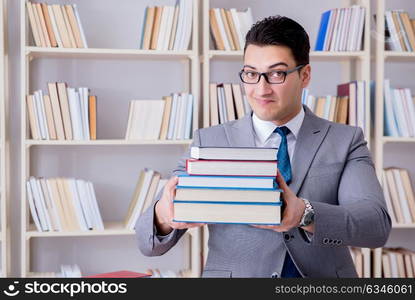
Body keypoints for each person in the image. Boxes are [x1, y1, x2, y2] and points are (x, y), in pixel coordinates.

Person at [135, 15, 391, 278]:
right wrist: (163, 216)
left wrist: (304, 214)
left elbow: (374, 225)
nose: (261, 89)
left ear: (305, 75)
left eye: (276, 73)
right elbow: (148, 243)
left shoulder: (345, 140)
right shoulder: (210, 142)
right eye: (251, 74)